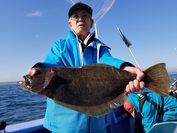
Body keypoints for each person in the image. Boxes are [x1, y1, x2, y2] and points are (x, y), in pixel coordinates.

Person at [28, 2, 145, 133]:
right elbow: (51, 63)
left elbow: (107, 61)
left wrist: (124, 67)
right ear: (70, 24)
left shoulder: (100, 47)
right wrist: (39, 69)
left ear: (91, 22)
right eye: (75, 16)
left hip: (97, 127)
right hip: (64, 127)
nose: (80, 18)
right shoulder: (60, 47)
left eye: (85, 16)